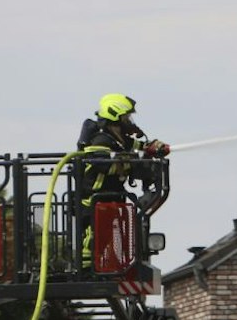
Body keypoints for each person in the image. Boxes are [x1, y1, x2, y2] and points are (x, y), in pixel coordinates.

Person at [72, 94, 169, 269]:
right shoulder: (101, 139)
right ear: (115, 115)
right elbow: (102, 165)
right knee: (94, 236)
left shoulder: (119, 139)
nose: (129, 120)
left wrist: (155, 147)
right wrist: (132, 165)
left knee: (109, 234)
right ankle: (86, 266)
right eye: (126, 116)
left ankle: (104, 264)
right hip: (93, 199)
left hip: (111, 197)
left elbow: (139, 146)